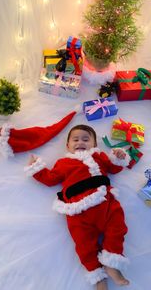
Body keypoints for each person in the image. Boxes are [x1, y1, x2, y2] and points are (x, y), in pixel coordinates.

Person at [25, 124, 131, 290]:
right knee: (83, 244)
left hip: (105, 202)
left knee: (117, 228)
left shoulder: (99, 156)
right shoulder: (63, 162)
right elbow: (50, 178)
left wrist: (118, 156)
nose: (80, 142)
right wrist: (36, 168)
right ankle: (98, 277)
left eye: (86, 139)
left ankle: (112, 263)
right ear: (68, 146)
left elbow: (114, 168)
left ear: (94, 145)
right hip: (77, 210)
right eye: (75, 139)